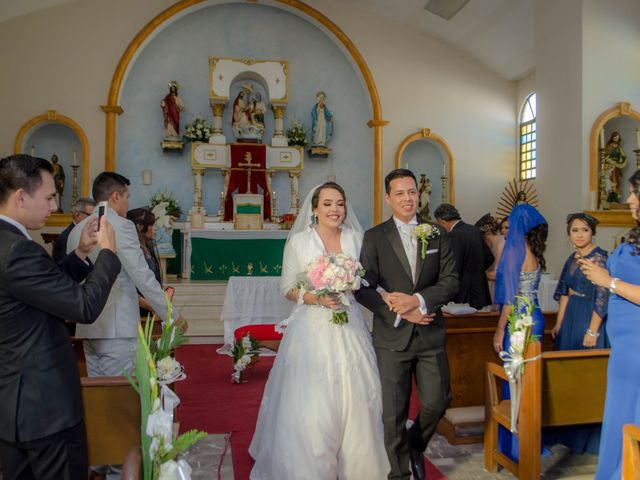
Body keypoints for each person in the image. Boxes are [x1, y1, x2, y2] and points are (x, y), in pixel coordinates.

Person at [249, 182, 390, 479]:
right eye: (327, 204)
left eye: (339, 203)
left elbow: (366, 280)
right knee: (312, 401)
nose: (334, 210)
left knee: (357, 394)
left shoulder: (356, 239)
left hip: (349, 323)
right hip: (311, 327)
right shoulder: (300, 242)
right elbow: (287, 288)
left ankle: (357, 464)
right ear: (314, 209)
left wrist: (358, 288)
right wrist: (317, 298)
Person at [0, 154, 120, 480]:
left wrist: (81, 253)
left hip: (17, 407)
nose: (55, 206)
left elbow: (39, 289)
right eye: (50, 197)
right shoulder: (17, 250)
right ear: (21, 196)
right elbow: (83, 306)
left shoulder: (9, 242)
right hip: (46, 407)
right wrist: (107, 252)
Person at [356, 169, 458, 480]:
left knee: (438, 401)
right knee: (393, 414)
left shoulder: (437, 233)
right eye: (399, 193)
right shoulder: (374, 237)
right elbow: (362, 286)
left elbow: (451, 281)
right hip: (392, 337)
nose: (407, 198)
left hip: (430, 332)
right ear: (388, 198)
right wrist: (399, 311)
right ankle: (399, 475)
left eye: (411, 191)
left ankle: (415, 446)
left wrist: (418, 301)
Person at [67, 172, 184, 377]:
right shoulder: (122, 226)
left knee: (100, 396)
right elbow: (142, 276)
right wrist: (171, 314)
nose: (127, 203)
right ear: (115, 197)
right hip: (117, 329)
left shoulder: (77, 230)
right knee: (120, 398)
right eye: (127, 197)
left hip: (88, 326)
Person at [580, 169, 640, 479]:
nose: (629, 198)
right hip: (624, 350)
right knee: (619, 416)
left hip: (638, 348)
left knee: (634, 419)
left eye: (635, 192)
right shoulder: (635, 236)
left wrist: (609, 281)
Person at [545, 212, 608, 455]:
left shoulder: (599, 258)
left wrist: (592, 330)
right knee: (567, 379)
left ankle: (588, 439)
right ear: (569, 234)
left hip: (590, 318)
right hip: (571, 318)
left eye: (584, 230)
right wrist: (559, 324)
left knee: (587, 379)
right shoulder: (572, 258)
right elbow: (566, 292)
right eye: (575, 230)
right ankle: (567, 433)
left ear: (592, 232)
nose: (580, 234)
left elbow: (603, 298)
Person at [492, 203, 548, 461]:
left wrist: (499, 329)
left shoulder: (515, 251)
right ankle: (531, 442)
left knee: (516, 379)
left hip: (519, 321)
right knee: (530, 380)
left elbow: (509, 299)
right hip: (535, 315)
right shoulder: (534, 250)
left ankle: (516, 447)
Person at [435, 203, 493, 309]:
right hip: (480, 289)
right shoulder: (475, 230)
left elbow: (454, 266)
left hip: (464, 293)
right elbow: (489, 257)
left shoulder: (454, 235)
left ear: (442, 221)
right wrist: (477, 271)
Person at [126, 207, 161, 317]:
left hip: (151, 305)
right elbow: (129, 288)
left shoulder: (146, 247)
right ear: (139, 227)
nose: (154, 229)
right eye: (151, 225)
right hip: (138, 310)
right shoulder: (132, 251)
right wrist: (151, 306)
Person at [52, 197, 96, 263]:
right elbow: (63, 268)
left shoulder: (88, 234)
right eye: (91, 216)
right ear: (78, 215)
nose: (94, 219)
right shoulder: (65, 238)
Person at [475, 213, 504, 302]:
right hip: (492, 287)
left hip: (502, 289)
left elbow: (499, 275)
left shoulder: (501, 244)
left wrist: (475, 275)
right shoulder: (492, 246)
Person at [602, 131, 627, 203]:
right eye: (615, 137)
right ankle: (609, 197)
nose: (616, 139)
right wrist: (610, 161)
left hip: (617, 168)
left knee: (617, 182)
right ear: (612, 137)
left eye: (617, 138)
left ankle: (615, 198)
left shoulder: (619, 147)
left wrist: (620, 163)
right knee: (609, 181)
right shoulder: (608, 146)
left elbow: (624, 156)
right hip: (609, 166)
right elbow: (605, 156)